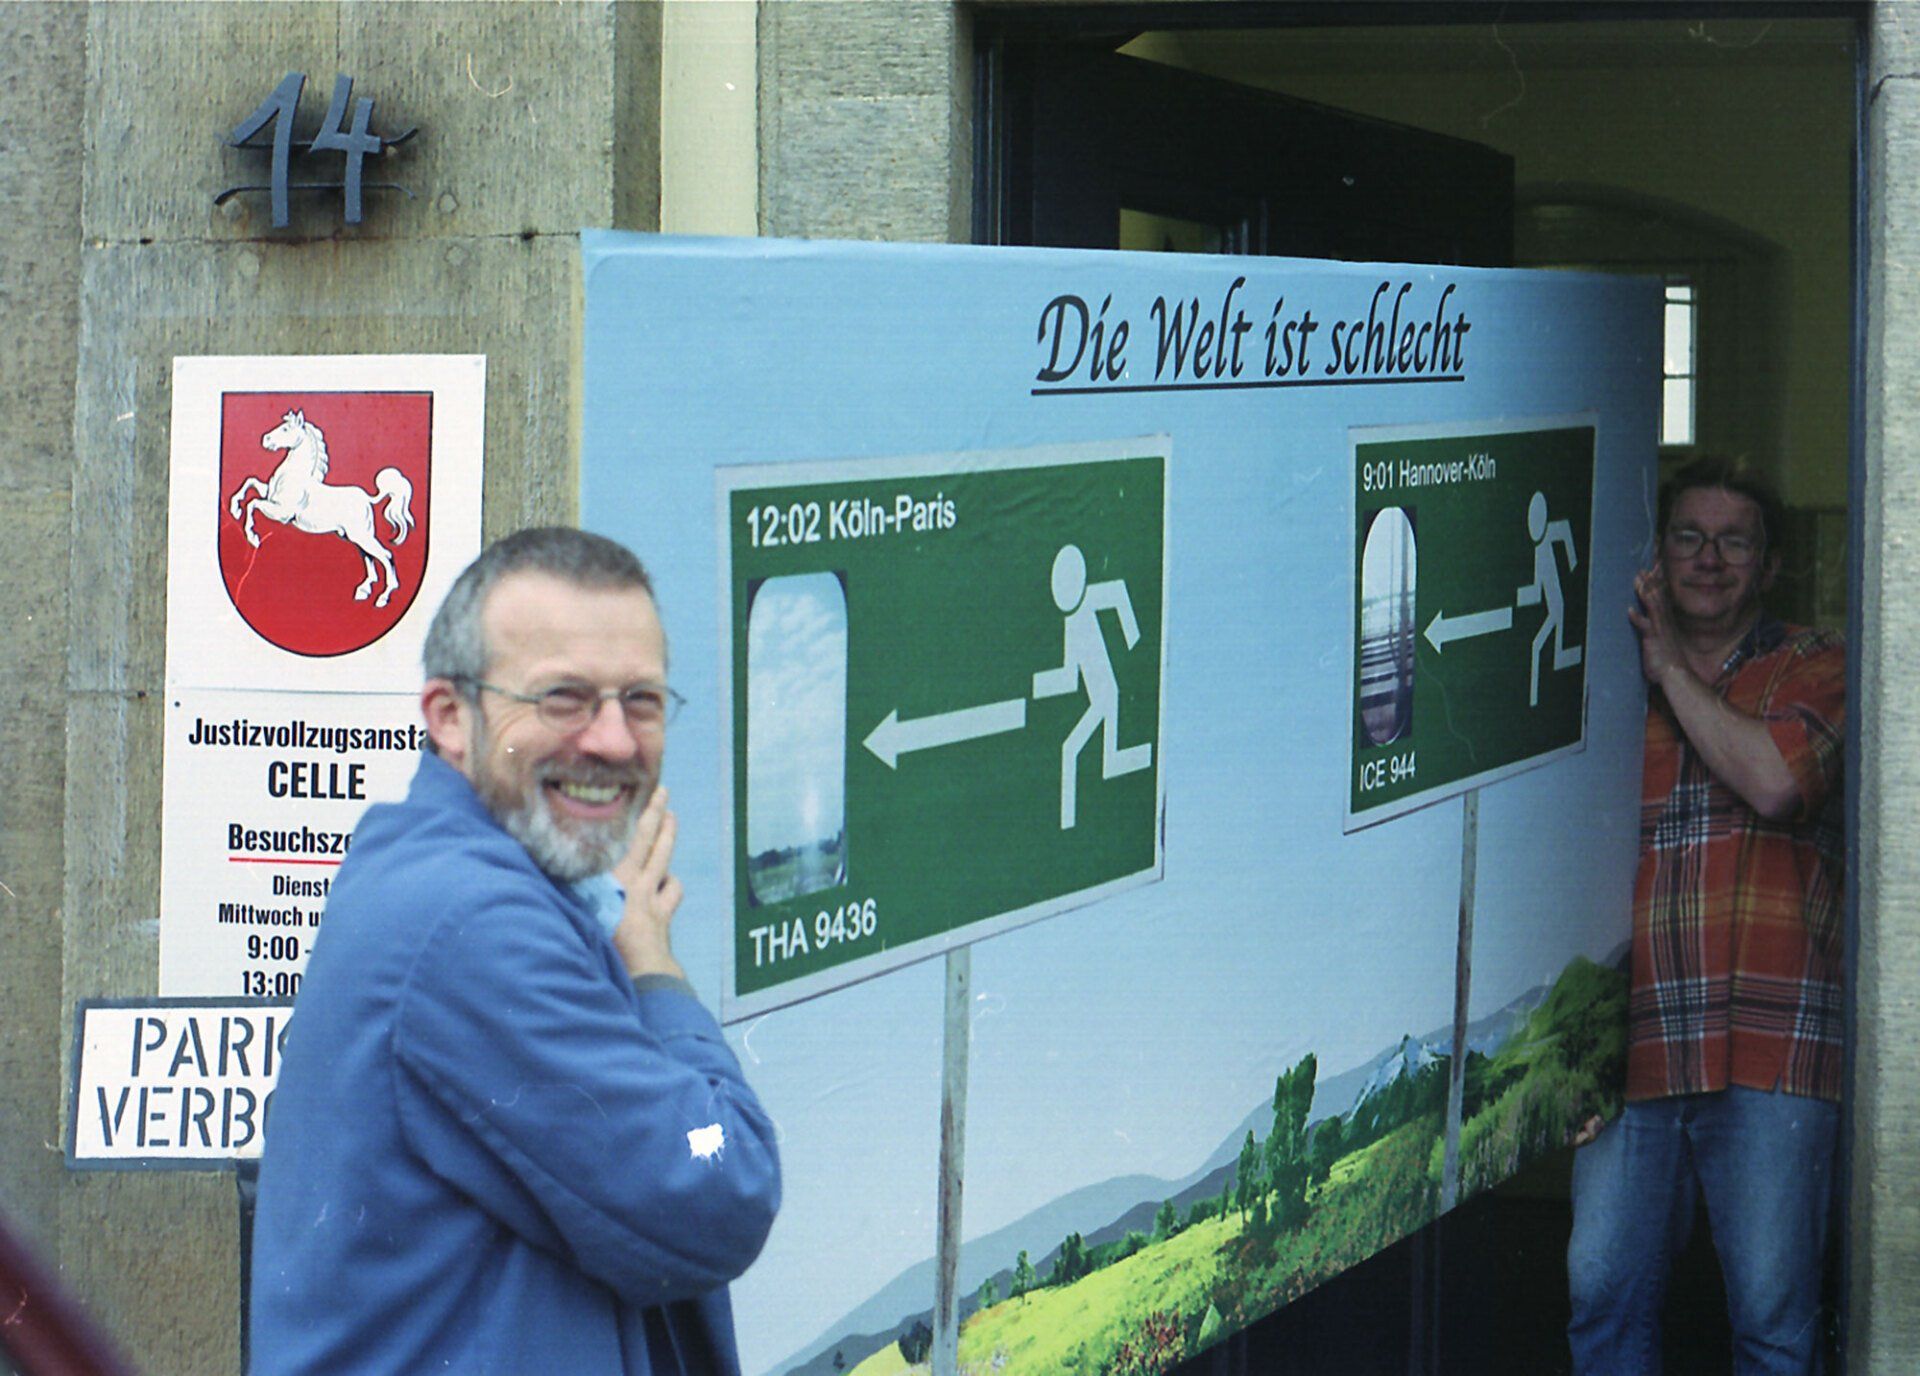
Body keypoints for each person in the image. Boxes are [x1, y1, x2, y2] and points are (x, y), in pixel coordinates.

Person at [250, 528, 780, 1375]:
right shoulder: (476, 931)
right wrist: (656, 972)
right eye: (563, 699)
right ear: (450, 718)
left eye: (641, 701)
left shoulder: (436, 866)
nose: (612, 741)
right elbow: (717, 1178)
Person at [1567, 460, 1845, 1374]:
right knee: (1604, 1296)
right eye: (1689, 537)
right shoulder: (1602, 684)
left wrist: (1673, 676)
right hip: (1629, 1052)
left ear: (1768, 566)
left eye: (1735, 541)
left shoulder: (1818, 664)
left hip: (1771, 1045)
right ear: (1657, 555)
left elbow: (1772, 782)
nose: (1710, 559)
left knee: (1772, 1322)